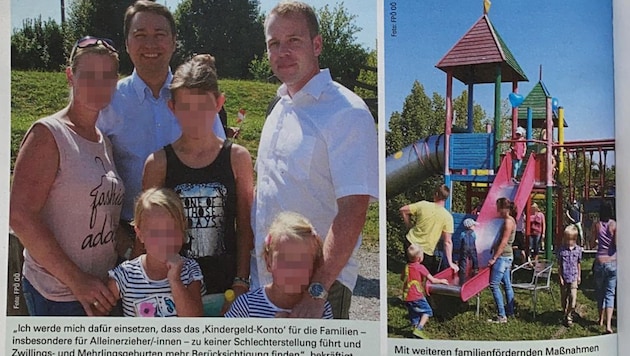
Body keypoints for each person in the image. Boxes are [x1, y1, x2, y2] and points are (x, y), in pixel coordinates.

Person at [251, 1, 378, 319]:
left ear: (317, 44)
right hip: (267, 282)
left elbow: (354, 208)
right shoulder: (278, 108)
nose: (283, 51)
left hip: (318, 287)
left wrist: (317, 290)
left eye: (294, 40)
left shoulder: (346, 110)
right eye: (274, 44)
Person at [97, 0, 225, 259]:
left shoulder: (195, 97)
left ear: (174, 41)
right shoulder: (108, 102)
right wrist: (127, 245)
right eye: (140, 35)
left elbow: (221, 161)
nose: (150, 45)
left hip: (196, 236)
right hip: (130, 239)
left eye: (160, 35)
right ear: (127, 43)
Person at [10, 37, 123, 316]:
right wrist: (77, 281)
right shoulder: (48, 134)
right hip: (59, 295)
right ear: (70, 76)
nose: (99, 84)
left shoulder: (103, 142)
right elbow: (19, 215)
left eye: (107, 76)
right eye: (89, 75)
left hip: (100, 291)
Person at [142, 54, 254, 297]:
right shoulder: (158, 163)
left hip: (225, 288)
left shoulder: (237, 158)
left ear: (219, 103)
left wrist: (241, 281)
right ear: (172, 107)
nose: (195, 117)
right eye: (186, 107)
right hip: (173, 290)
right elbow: (145, 234)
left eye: (203, 106)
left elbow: (245, 227)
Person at [108, 188, 204, 317]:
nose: (164, 239)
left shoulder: (190, 270)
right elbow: (96, 314)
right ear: (140, 234)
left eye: (171, 230)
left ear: (183, 229)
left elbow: (195, 323)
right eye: (155, 233)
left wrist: (175, 281)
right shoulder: (125, 275)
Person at [226, 212, 333, 318]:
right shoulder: (246, 306)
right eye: (284, 259)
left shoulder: (319, 310)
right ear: (268, 262)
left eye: (302, 261)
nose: (293, 270)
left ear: (314, 265)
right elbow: (226, 335)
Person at [400, 185, 459, 275]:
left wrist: (409, 226)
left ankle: (409, 284)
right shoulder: (447, 217)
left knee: (411, 271)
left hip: (411, 242)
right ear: (446, 198)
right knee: (424, 276)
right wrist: (450, 263)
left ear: (436, 194)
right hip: (426, 251)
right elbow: (448, 242)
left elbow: (403, 210)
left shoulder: (423, 205)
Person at [401, 244, 449, 339]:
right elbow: (433, 280)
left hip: (407, 296)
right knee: (427, 311)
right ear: (419, 258)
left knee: (413, 313)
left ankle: (414, 331)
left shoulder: (406, 267)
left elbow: (402, 278)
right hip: (417, 296)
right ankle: (419, 329)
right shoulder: (420, 267)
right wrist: (441, 281)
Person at [487, 197, 516, 323]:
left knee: (494, 285)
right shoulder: (509, 220)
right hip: (507, 256)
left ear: (505, 208)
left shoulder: (508, 222)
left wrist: (494, 258)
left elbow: (504, 242)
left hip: (503, 257)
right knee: (507, 285)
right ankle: (510, 311)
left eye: (498, 207)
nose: (497, 210)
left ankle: (501, 315)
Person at [592, 201, 616, 334]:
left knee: (600, 292)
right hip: (612, 261)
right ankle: (608, 325)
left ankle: (600, 319)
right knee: (610, 293)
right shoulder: (614, 225)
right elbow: (617, 243)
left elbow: (591, 242)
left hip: (600, 261)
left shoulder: (597, 225)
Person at [557, 225, 582, 327]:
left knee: (573, 298)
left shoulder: (578, 250)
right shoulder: (562, 250)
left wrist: (579, 276)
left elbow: (578, 264)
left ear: (575, 239)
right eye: (567, 239)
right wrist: (560, 277)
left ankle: (569, 314)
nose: (568, 242)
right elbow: (559, 265)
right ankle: (565, 311)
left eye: (570, 239)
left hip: (574, 276)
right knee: (564, 298)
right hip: (564, 276)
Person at [457, 218, 479, 284]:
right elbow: (475, 239)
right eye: (474, 225)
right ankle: (475, 271)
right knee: (474, 260)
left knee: (463, 261)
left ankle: (462, 278)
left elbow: (460, 240)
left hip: (464, 249)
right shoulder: (473, 234)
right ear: (471, 226)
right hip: (472, 249)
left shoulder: (463, 233)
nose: (475, 226)